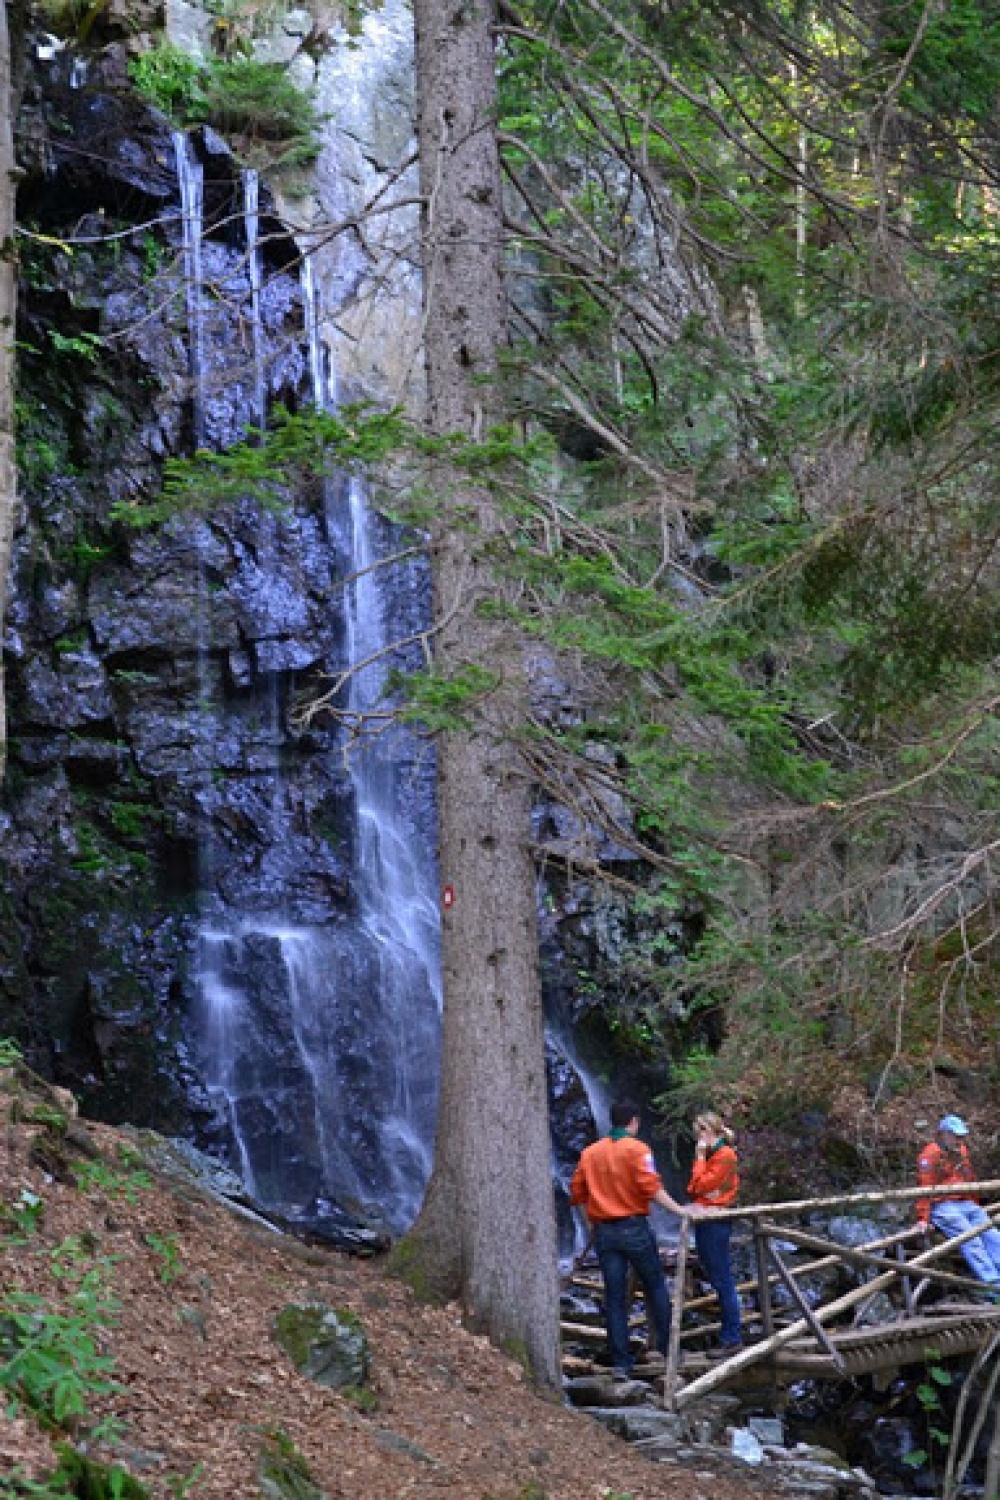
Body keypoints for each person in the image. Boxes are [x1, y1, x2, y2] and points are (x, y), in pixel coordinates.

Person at [569, 1097, 695, 1379]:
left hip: (604, 1231)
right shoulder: (638, 1150)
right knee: (655, 1286)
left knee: (614, 1296)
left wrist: (591, 1223)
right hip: (634, 1227)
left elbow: (576, 1192)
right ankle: (667, 1349)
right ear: (633, 1122)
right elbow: (650, 1188)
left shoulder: (590, 1153)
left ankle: (621, 1364)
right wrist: (680, 1211)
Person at [916, 1114, 1000, 1286]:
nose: (959, 1140)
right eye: (956, 1136)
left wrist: (975, 1203)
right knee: (970, 1239)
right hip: (942, 1205)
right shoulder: (929, 1156)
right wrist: (923, 1218)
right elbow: (924, 1188)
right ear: (943, 1134)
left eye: (961, 1136)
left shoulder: (961, 1150)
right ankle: (993, 1284)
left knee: (991, 1233)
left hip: (964, 1201)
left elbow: (968, 1177)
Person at [687, 1110, 743, 1357]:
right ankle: (729, 1335)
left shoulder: (724, 1155)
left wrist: (699, 1158)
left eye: (703, 1129)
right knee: (717, 1276)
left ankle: (732, 1338)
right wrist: (702, 1192)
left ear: (715, 1130)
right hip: (706, 1219)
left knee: (722, 1279)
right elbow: (693, 1188)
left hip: (715, 1221)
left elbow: (700, 1185)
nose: (699, 1136)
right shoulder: (714, 1155)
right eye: (697, 1130)